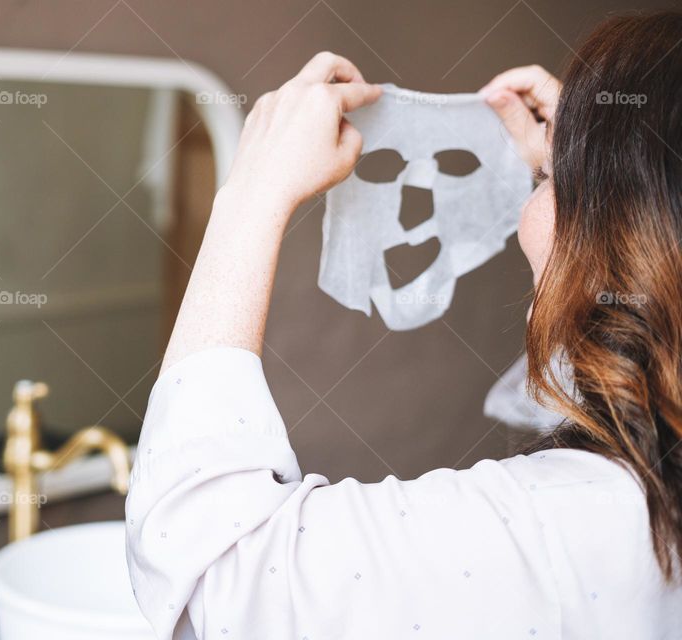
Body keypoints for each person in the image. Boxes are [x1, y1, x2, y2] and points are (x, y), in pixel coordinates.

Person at [126, 11, 682, 639]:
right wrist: (603, 158)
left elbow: (210, 581)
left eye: (546, 179)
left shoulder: (557, 529)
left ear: (637, 232)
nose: (531, 205)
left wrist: (251, 192)